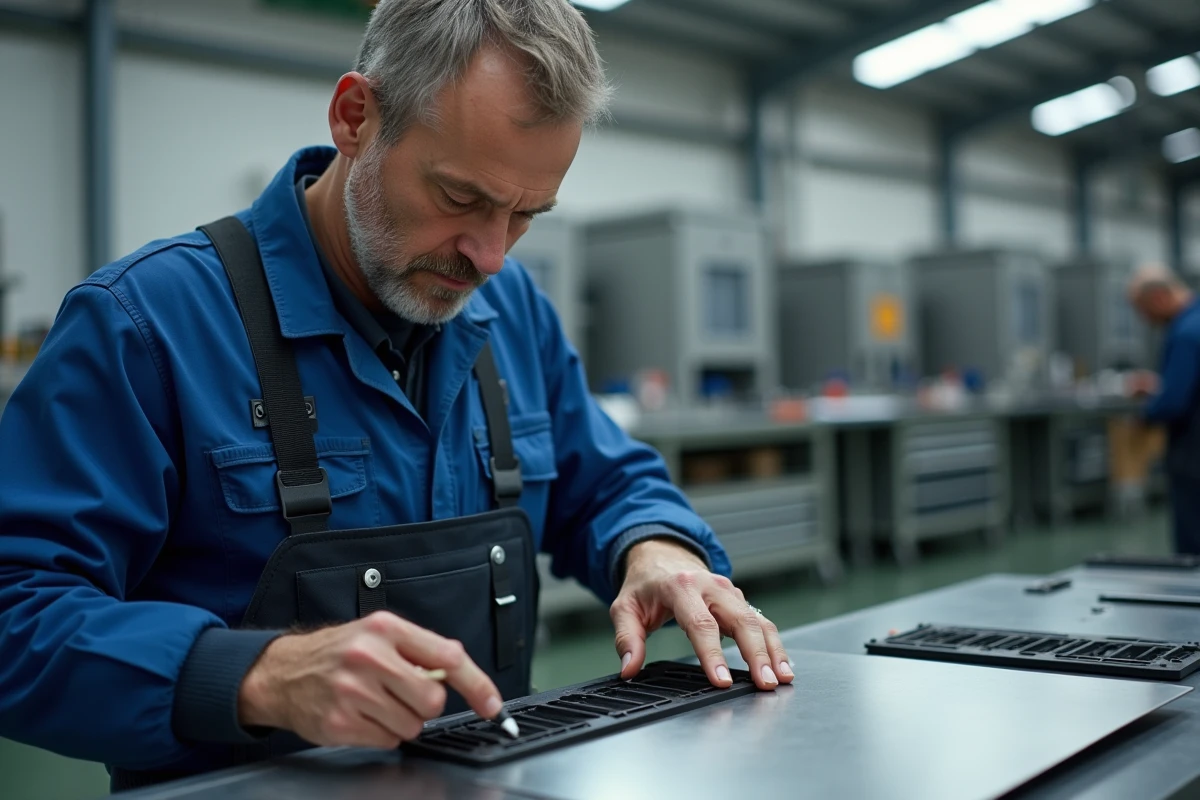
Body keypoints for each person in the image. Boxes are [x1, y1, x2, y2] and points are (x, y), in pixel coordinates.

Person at [0, 0, 793, 790]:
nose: (490, 256)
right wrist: (256, 675)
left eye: (525, 215)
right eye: (460, 198)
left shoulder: (511, 317)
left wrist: (655, 545)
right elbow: (16, 612)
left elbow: (608, 480)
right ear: (355, 117)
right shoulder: (149, 326)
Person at [1128, 264, 1200, 553]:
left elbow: (1173, 403)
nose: (1145, 320)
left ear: (1158, 297)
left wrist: (1144, 414)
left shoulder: (1185, 332)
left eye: (1143, 311)